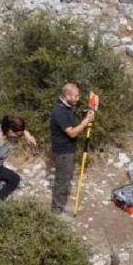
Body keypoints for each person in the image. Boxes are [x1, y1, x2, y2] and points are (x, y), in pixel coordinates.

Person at [50, 82, 95, 215]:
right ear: (67, 95)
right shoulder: (59, 112)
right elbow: (72, 133)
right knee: (62, 180)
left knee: (67, 177)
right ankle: (56, 210)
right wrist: (86, 122)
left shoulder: (67, 108)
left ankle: (61, 204)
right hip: (63, 152)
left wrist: (86, 117)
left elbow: (73, 125)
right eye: (76, 96)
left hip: (69, 150)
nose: (78, 98)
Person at [0, 115, 37, 200]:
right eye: (16, 136)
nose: (17, 138)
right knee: (14, 179)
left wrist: (28, 136)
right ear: (10, 130)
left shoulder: (5, 126)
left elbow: (21, 130)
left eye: (19, 135)